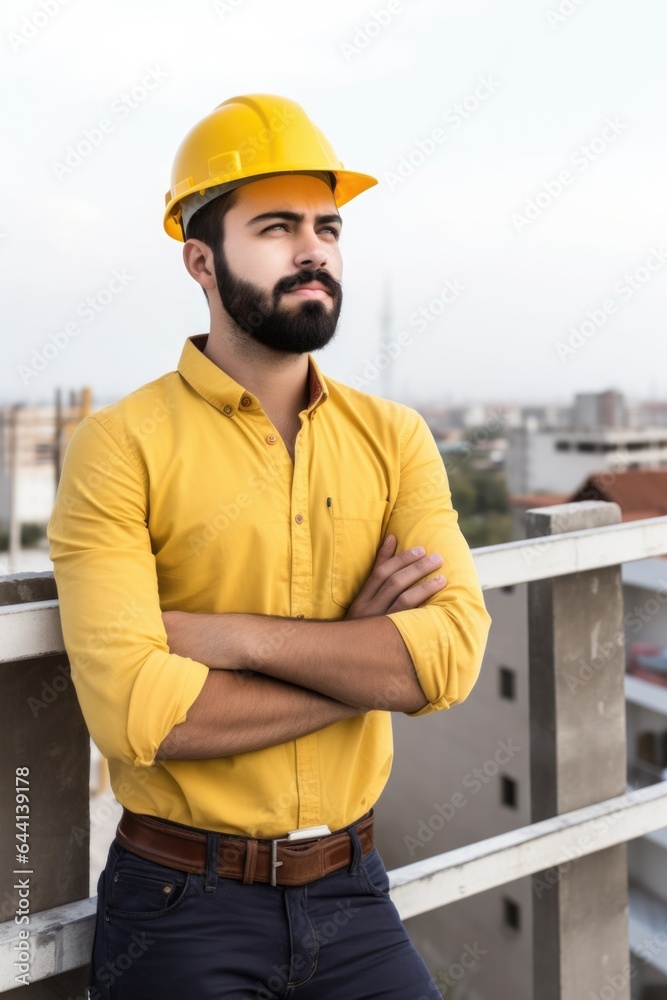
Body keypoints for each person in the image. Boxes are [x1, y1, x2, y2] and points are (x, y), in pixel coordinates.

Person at [48, 93, 492, 999]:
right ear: (200, 260)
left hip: (354, 891)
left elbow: (446, 662)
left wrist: (233, 638)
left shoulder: (396, 437)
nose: (313, 250)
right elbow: (143, 715)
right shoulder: (120, 444)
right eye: (277, 227)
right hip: (178, 904)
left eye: (327, 227)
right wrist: (357, 665)